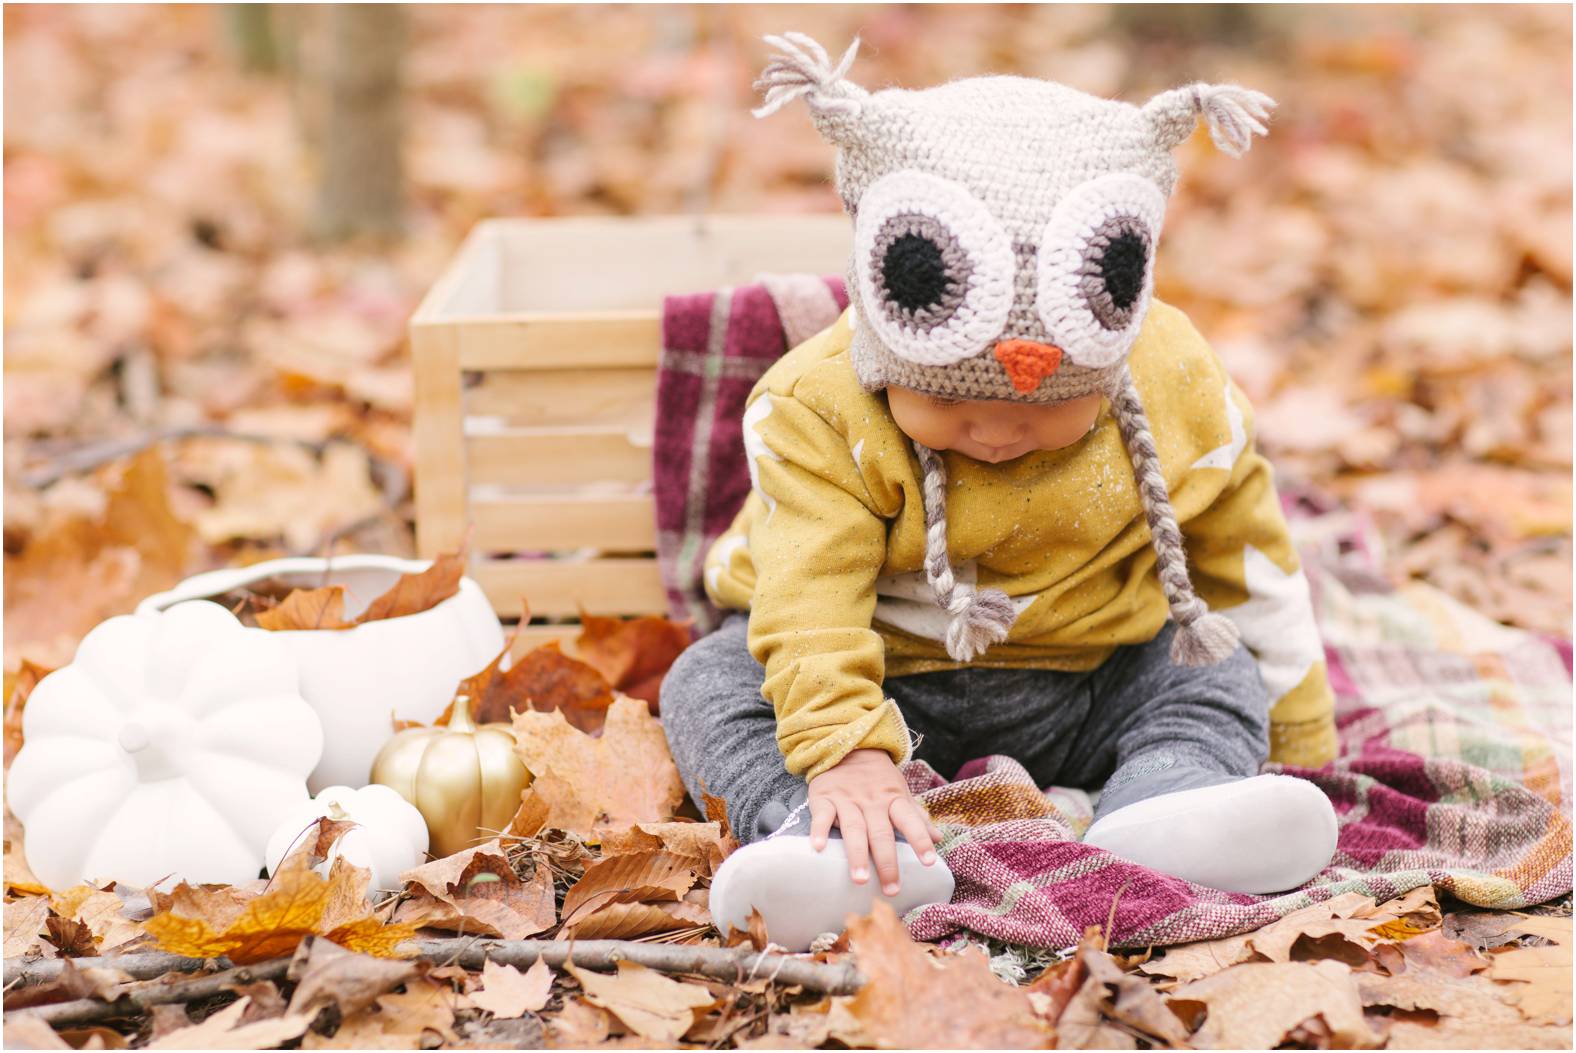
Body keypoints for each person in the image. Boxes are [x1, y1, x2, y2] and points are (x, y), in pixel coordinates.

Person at [662, 33, 1340, 952]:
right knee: (710, 678)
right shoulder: (815, 406)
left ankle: (1172, 798)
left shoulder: (1178, 384)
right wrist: (845, 751)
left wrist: (1299, 730)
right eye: (944, 398)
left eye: (1048, 404)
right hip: (883, 670)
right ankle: (831, 838)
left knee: (1213, 669)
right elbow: (807, 594)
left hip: (1094, 674)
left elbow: (1243, 549)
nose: (994, 431)